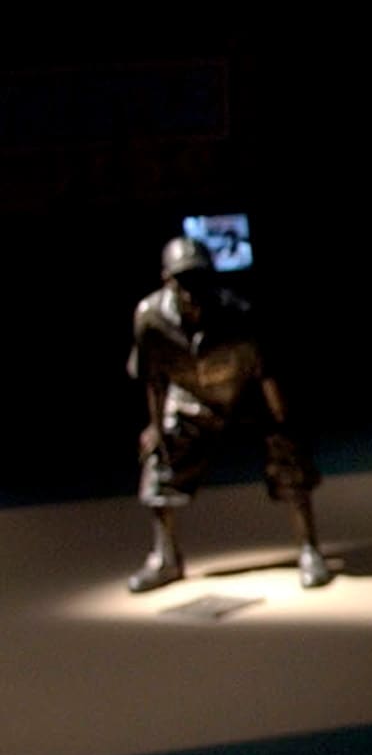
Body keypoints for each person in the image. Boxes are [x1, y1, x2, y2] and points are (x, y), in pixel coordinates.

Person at [126, 236, 331, 592]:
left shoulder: (237, 311)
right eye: (182, 279)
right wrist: (156, 428)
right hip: (190, 400)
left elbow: (266, 371)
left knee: (289, 455)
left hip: (244, 397)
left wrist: (281, 420)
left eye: (198, 278)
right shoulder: (150, 318)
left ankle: (309, 548)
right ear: (167, 279)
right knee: (159, 461)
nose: (192, 289)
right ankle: (165, 557)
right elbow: (154, 379)